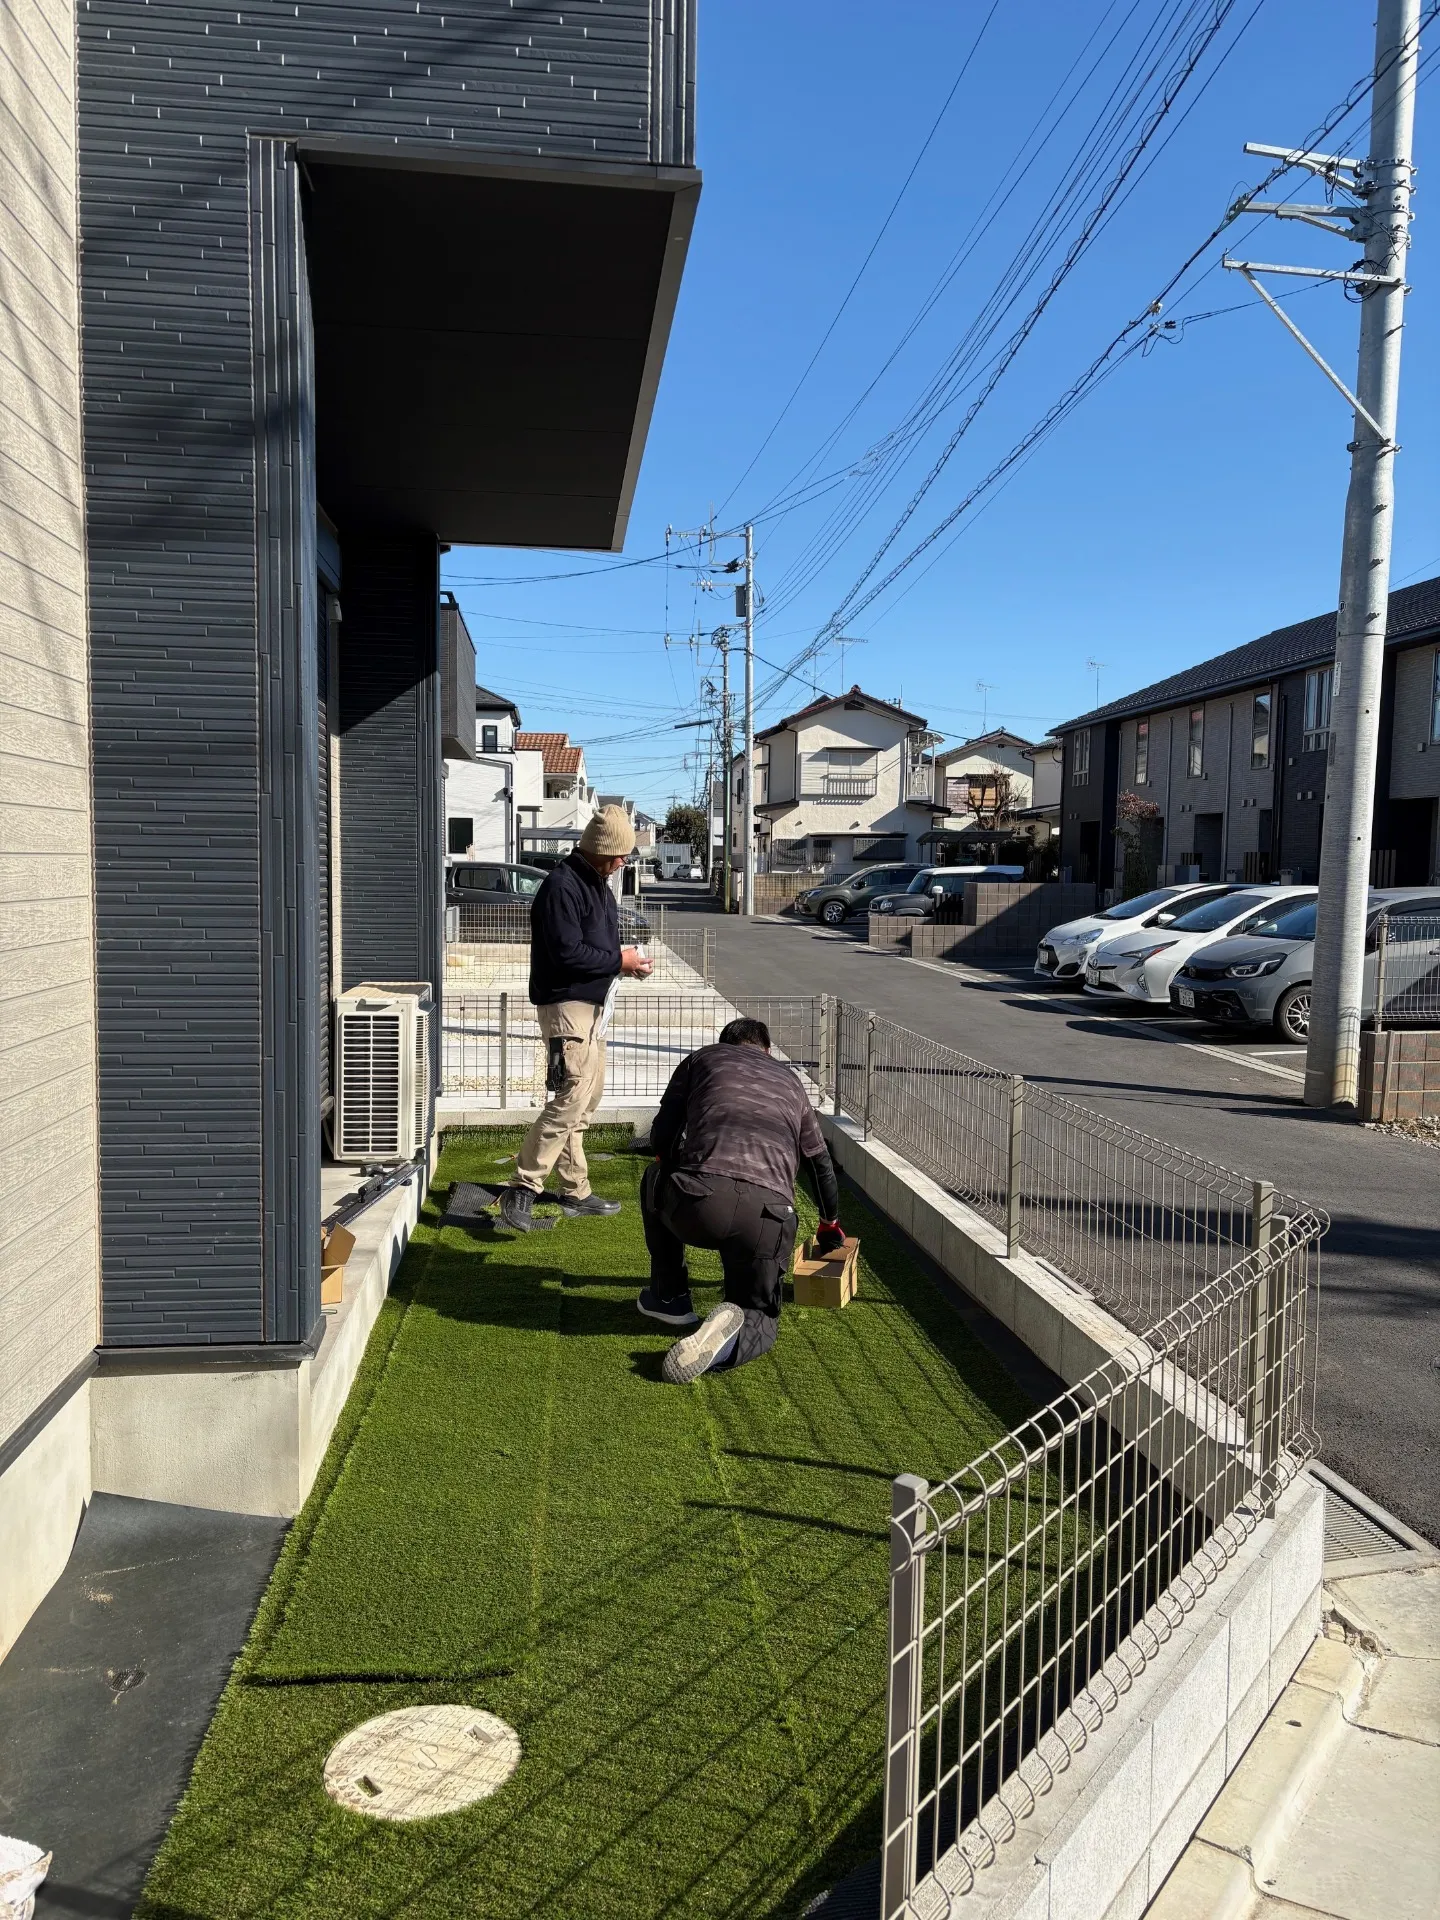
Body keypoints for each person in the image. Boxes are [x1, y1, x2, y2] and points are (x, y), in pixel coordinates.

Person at [638, 1017, 845, 1383]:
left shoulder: (703, 1059)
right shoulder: (792, 1083)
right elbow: (820, 1163)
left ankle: (669, 1298)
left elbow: (662, 1135)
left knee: (655, 1176)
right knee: (759, 1315)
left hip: (698, 1204)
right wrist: (830, 1224)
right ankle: (729, 1336)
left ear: (726, 1044)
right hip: (769, 1218)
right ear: (767, 1049)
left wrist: (676, 1164)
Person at [498, 807, 652, 1231]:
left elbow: (591, 952)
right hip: (567, 1006)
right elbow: (567, 954)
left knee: (583, 1102)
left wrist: (625, 964)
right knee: (570, 1098)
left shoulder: (596, 883)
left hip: (592, 1007)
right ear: (603, 850)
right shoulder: (563, 886)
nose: (624, 862)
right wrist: (618, 960)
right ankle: (523, 1185)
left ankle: (575, 1191)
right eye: (621, 854)